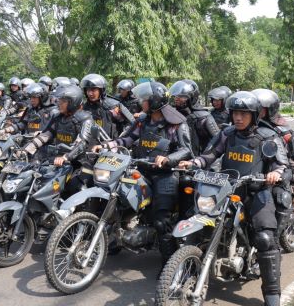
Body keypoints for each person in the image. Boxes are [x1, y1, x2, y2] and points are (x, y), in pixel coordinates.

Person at [179, 91, 289, 306]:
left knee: (265, 239)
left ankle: (272, 294)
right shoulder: (227, 134)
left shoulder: (268, 136)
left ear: (255, 115)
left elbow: (282, 166)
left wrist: (275, 173)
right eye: (235, 113)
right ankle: (183, 270)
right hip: (226, 190)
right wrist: (194, 164)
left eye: (243, 114)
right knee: (197, 220)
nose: (238, 118)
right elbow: (209, 155)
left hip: (256, 192)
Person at [93, 81, 192, 264]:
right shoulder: (143, 120)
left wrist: (168, 159)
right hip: (142, 170)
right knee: (119, 199)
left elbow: (186, 150)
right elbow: (128, 139)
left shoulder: (177, 123)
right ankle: (113, 240)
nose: (141, 102)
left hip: (165, 175)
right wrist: (107, 146)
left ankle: (168, 265)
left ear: (154, 101)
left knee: (162, 221)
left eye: (144, 99)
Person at [19, 85, 94, 196]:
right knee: (37, 181)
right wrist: (27, 149)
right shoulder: (58, 117)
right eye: (59, 100)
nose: (59, 103)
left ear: (73, 102)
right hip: (58, 161)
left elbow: (82, 144)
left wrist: (66, 157)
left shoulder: (85, 119)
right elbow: (47, 134)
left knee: (75, 188)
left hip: (79, 163)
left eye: (63, 101)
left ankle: (74, 212)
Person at [252, 88, 294, 240]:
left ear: (270, 110)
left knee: (282, 198)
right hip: (250, 176)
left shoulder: (285, 133)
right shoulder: (246, 127)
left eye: (260, 109)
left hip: (276, 177)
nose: (255, 112)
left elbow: (293, 162)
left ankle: (273, 241)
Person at [170, 79, 219, 154]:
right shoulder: (174, 115)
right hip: (176, 159)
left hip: (198, 161)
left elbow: (218, 142)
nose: (177, 98)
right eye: (176, 96)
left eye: (181, 96)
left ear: (192, 97)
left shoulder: (204, 117)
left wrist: (203, 161)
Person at [80, 73, 135, 140]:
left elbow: (132, 123)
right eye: (88, 90)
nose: (90, 93)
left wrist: (121, 139)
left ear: (101, 90)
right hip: (90, 146)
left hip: (111, 147)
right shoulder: (85, 107)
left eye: (93, 90)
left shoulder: (113, 106)